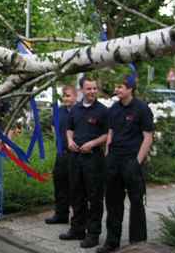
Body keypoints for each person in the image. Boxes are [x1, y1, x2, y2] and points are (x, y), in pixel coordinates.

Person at [97, 75, 154, 253]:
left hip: (132, 161)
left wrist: (137, 162)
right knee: (113, 202)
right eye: (116, 86)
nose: (117, 90)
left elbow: (148, 137)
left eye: (120, 87)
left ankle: (138, 244)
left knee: (136, 202)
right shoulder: (113, 108)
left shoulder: (142, 109)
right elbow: (111, 132)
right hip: (114, 160)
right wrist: (108, 154)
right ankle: (112, 242)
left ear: (130, 89)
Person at [60, 77, 108, 249]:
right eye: (89, 89)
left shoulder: (103, 111)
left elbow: (107, 134)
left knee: (94, 197)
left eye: (95, 88)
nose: (92, 92)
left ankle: (93, 234)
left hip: (93, 159)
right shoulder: (75, 110)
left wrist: (92, 144)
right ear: (81, 90)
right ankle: (77, 229)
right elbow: (69, 128)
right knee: (76, 194)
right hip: (75, 158)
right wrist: (70, 140)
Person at [45, 84, 78, 225]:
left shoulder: (79, 111)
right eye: (64, 96)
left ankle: (78, 218)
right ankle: (61, 214)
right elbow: (54, 126)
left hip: (76, 154)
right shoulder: (59, 111)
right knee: (59, 184)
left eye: (69, 95)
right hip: (61, 153)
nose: (66, 98)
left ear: (76, 97)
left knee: (75, 187)